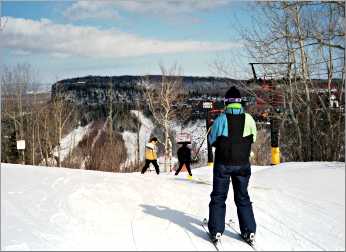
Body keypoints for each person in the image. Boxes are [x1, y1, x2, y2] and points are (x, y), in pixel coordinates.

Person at [207, 86, 257, 243]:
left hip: (223, 163)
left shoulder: (221, 119)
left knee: (219, 196)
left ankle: (216, 230)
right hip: (243, 164)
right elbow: (253, 138)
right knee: (242, 196)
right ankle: (249, 230)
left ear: (226, 102)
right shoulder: (249, 119)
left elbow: (211, 140)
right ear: (239, 102)